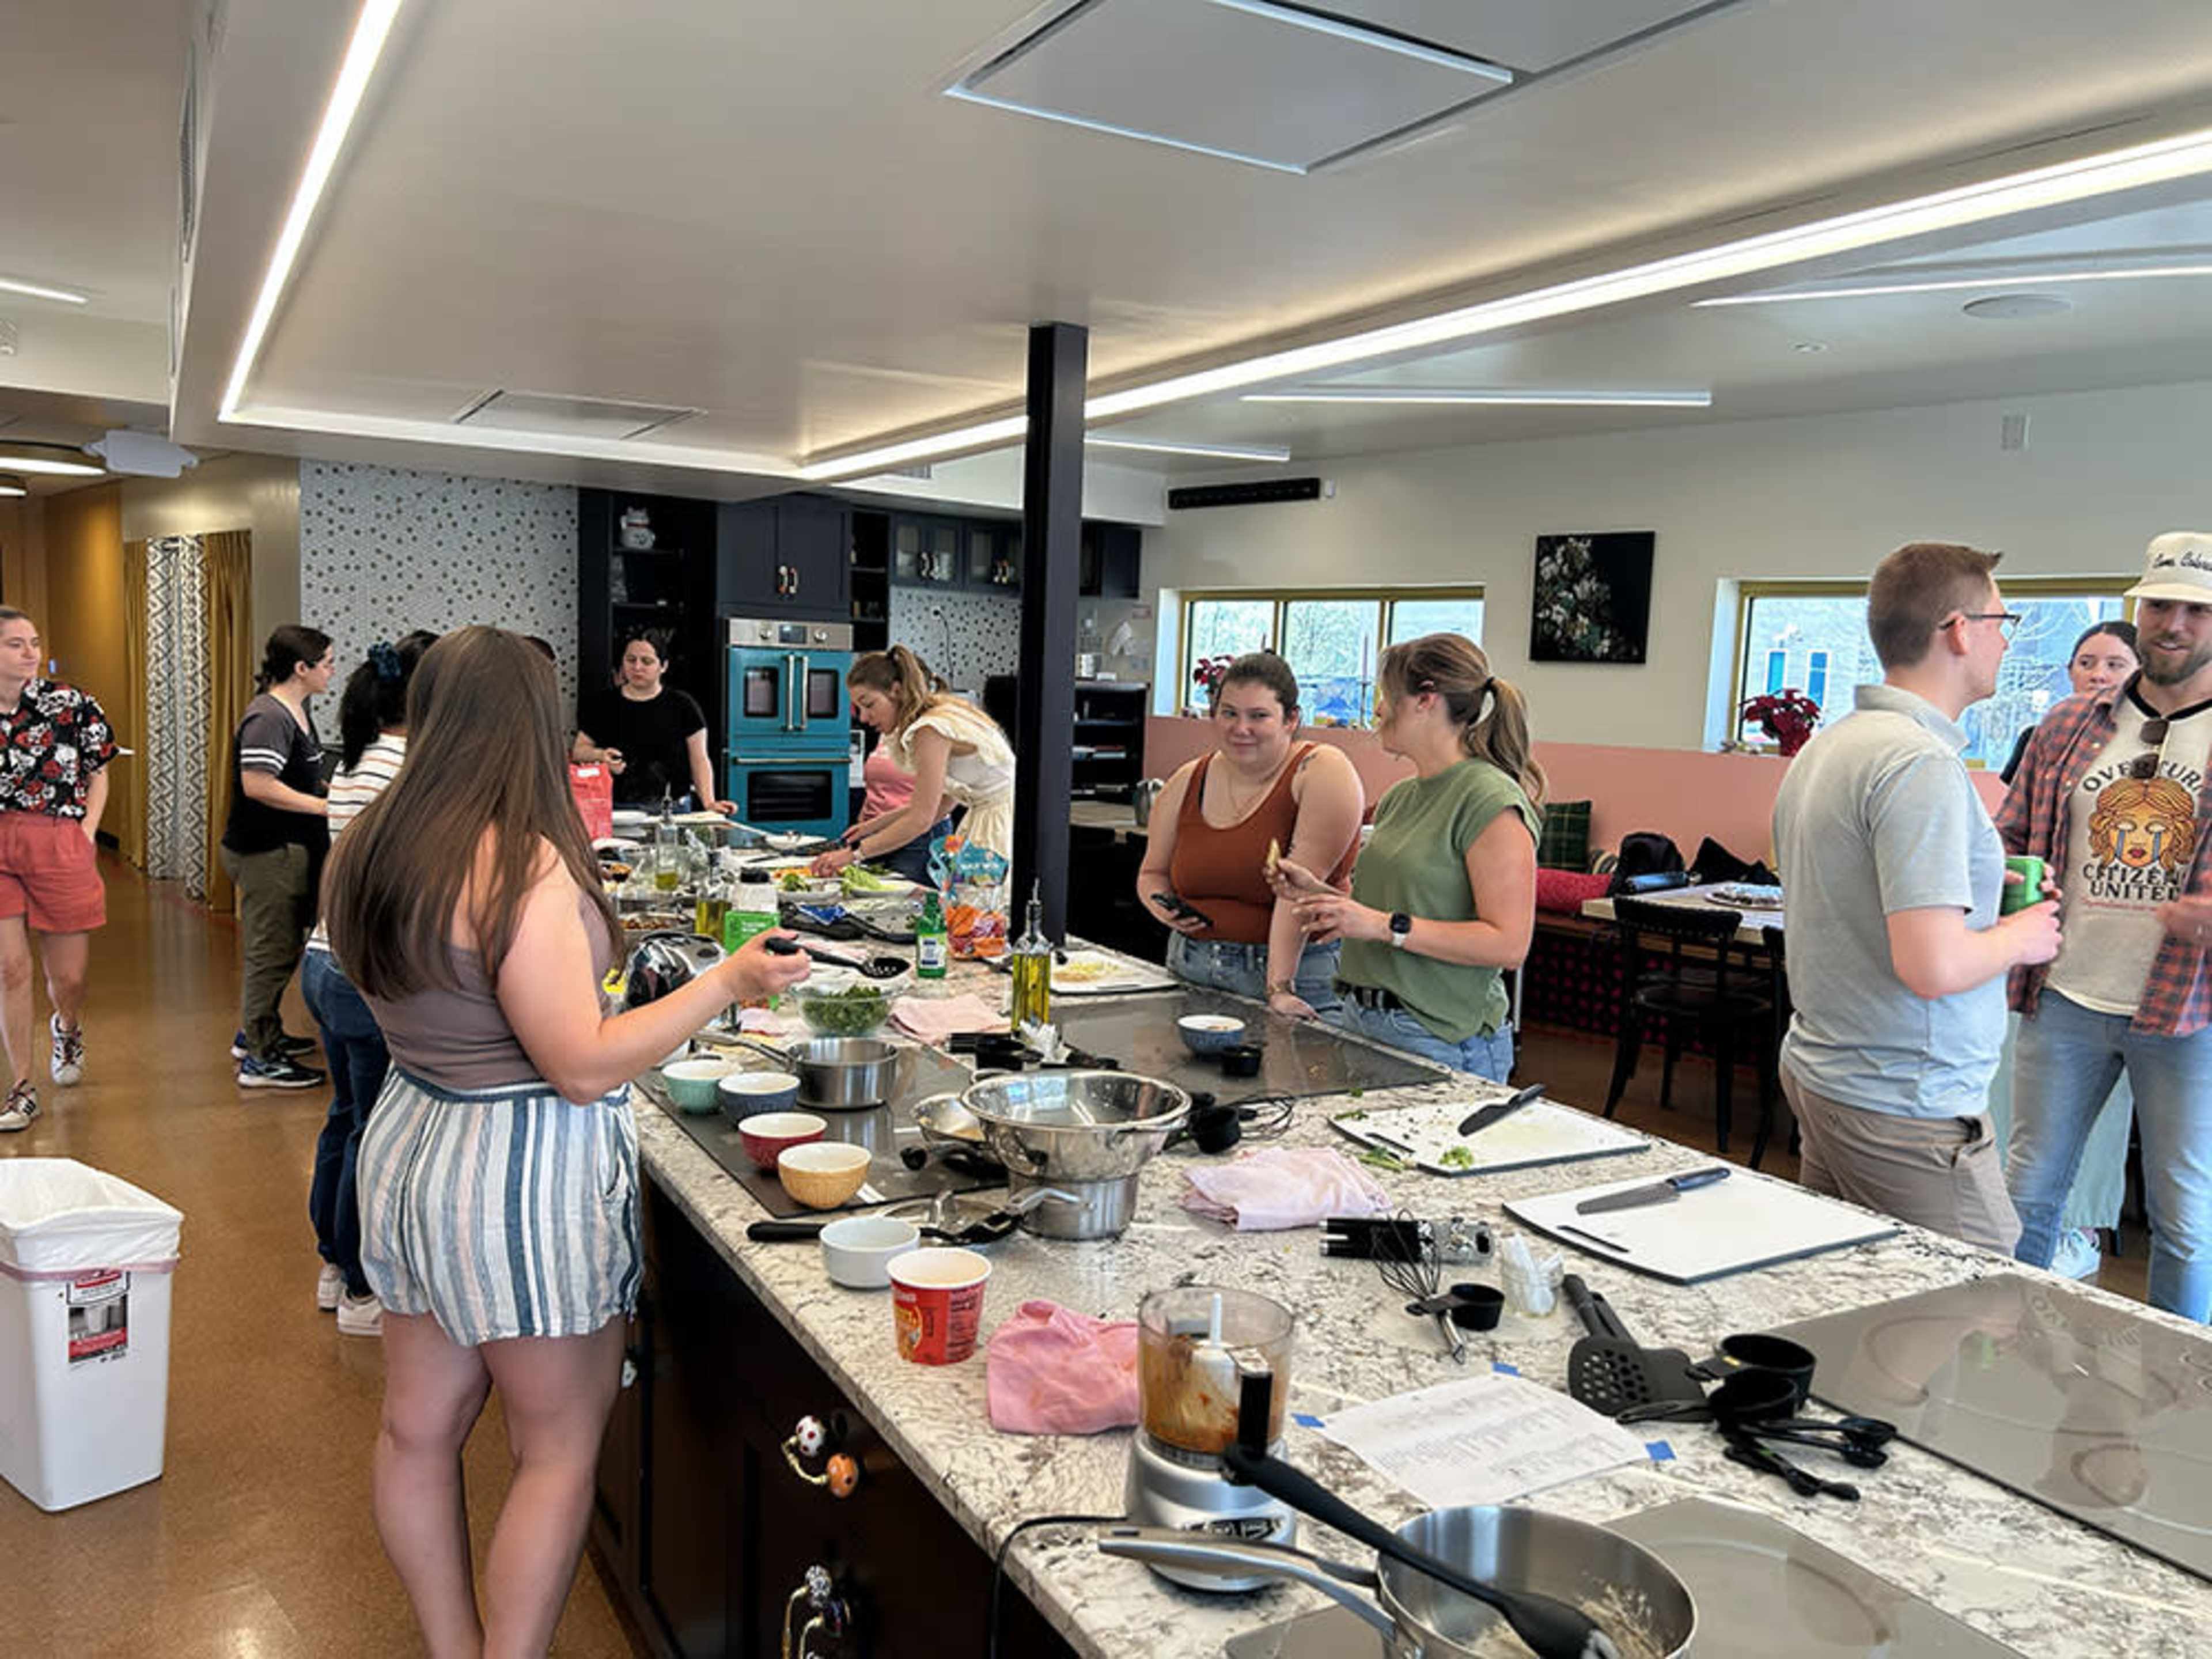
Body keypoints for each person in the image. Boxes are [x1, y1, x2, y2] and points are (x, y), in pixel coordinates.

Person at [327, 627, 809, 1657]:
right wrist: (724, 982)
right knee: (552, 1451)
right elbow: (581, 1064)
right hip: (515, 1173)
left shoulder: (371, 841)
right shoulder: (526, 868)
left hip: (412, 1141)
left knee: (417, 1431)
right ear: (535, 726)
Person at [1772, 543, 2062, 1250]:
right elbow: (1930, 967)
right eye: (2002, 620)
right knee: (1979, 1313)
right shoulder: (1918, 762)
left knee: (1853, 1299)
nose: (2003, 639)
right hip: (1904, 1104)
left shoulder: (1836, 745)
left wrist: (1983, 879)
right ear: (1960, 630)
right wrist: (2024, 938)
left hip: (1831, 1074)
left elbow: (1861, 891)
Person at [1999, 533, 2212, 1321]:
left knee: (2186, 1221)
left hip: (2189, 1014)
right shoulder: (2066, 726)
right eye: (2160, 604)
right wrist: (2013, 882)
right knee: (2027, 1192)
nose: (2175, 624)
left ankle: (2186, 1397)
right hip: (2066, 998)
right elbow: (2009, 838)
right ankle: (1996, 1350)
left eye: (2197, 609)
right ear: (2139, 610)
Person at [1272, 635, 1540, 1079]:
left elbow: (1510, 944)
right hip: (1364, 1021)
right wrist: (1318, 894)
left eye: (1386, 696)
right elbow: (1397, 908)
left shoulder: (1489, 799)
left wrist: (1380, 926)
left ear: (1425, 701)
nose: (1377, 710)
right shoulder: (1401, 797)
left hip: (1439, 1037)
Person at [1988, 618, 2141, 1280]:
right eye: (2087, 661)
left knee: (2107, 1129)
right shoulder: (2048, 734)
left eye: (2114, 663)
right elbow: (2012, 835)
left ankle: (2083, 1233)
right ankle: (2018, 1248)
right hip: (2047, 969)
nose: (2099, 675)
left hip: (2141, 985)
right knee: (2026, 1135)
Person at [302, 632, 435, 1337]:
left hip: (324, 958)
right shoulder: (410, 771)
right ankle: (360, 1290)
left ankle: (332, 1263)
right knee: (372, 1133)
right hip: (366, 971)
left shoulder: (354, 763)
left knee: (345, 1116)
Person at [1136, 653, 1363, 1018]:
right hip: (1192, 967)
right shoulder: (1187, 780)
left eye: (1258, 716)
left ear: (1291, 719)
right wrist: (1165, 910)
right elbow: (1152, 874)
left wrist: (1280, 988)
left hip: (1300, 977)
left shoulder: (1320, 770)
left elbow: (1297, 891)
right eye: (1229, 713)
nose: (1241, 728)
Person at [0, 608, 117, 1131]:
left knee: (66, 976)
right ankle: (21, 1088)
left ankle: (66, 1025)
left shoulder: (69, 704)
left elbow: (99, 772)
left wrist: (87, 832)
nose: (30, 653)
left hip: (57, 835)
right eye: (15, 644)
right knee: (10, 969)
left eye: (34, 642)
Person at [221, 624, 336, 1089]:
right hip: (267, 851)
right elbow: (259, 785)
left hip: (286, 847)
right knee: (270, 952)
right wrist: (326, 806)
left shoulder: (295, 711)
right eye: (326, 662)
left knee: (282, 948)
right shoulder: (269, 717)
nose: (332, 671)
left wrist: (333, 789)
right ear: (301, 668)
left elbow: (299, 776)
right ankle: (259, 1056)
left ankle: (261, 1030)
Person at [809, 646, 1014, 877]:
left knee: (984, 905)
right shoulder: (941, 714)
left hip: (997, 826)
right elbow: (942, 804)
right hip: (995, 818)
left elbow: (920, 820)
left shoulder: (930, 730)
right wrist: (872, 827)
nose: (864, 718)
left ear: (896, 691)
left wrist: (853, 855)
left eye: (869, 705)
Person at [571, 634, 729, 813]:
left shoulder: (683, 705)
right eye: (631, 660)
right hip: (618, 807)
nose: (637, 667)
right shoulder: (604, 704)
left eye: (647, 661)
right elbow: (579, 751)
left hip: (673, 807)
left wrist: (709, 802)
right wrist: (600, 755)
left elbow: (700, 759)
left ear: (663, 666)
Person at [1998, 622, 2138, 785]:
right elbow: (2016, 807)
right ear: (2070, 671)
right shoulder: (2039, 738)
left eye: (2114, 665)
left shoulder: (2150, 741)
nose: (2098, 675)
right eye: (2085, 664)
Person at [848, 734, 953, 885]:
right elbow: (878, 786)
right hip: (875, 834)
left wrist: (858, 852)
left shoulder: (930, 734)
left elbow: (942, 804)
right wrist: (864, 825)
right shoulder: (887, 732)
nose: (864, 719)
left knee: (908, 902)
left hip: (917, 839)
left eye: (869, 710)